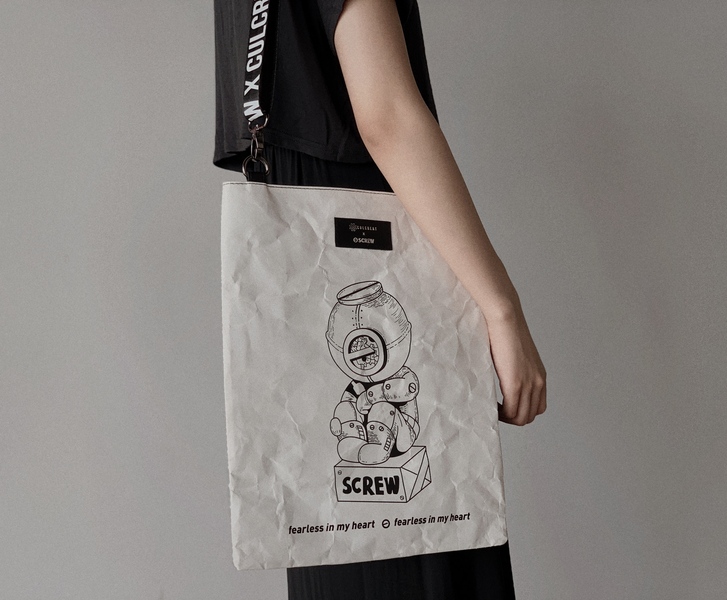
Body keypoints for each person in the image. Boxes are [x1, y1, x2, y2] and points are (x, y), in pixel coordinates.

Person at [213, 0, 547, 598]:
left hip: (318, 259)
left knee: (343, 537)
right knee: (429, 541)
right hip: (384, 247)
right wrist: (501, 308)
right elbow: (386, 117)